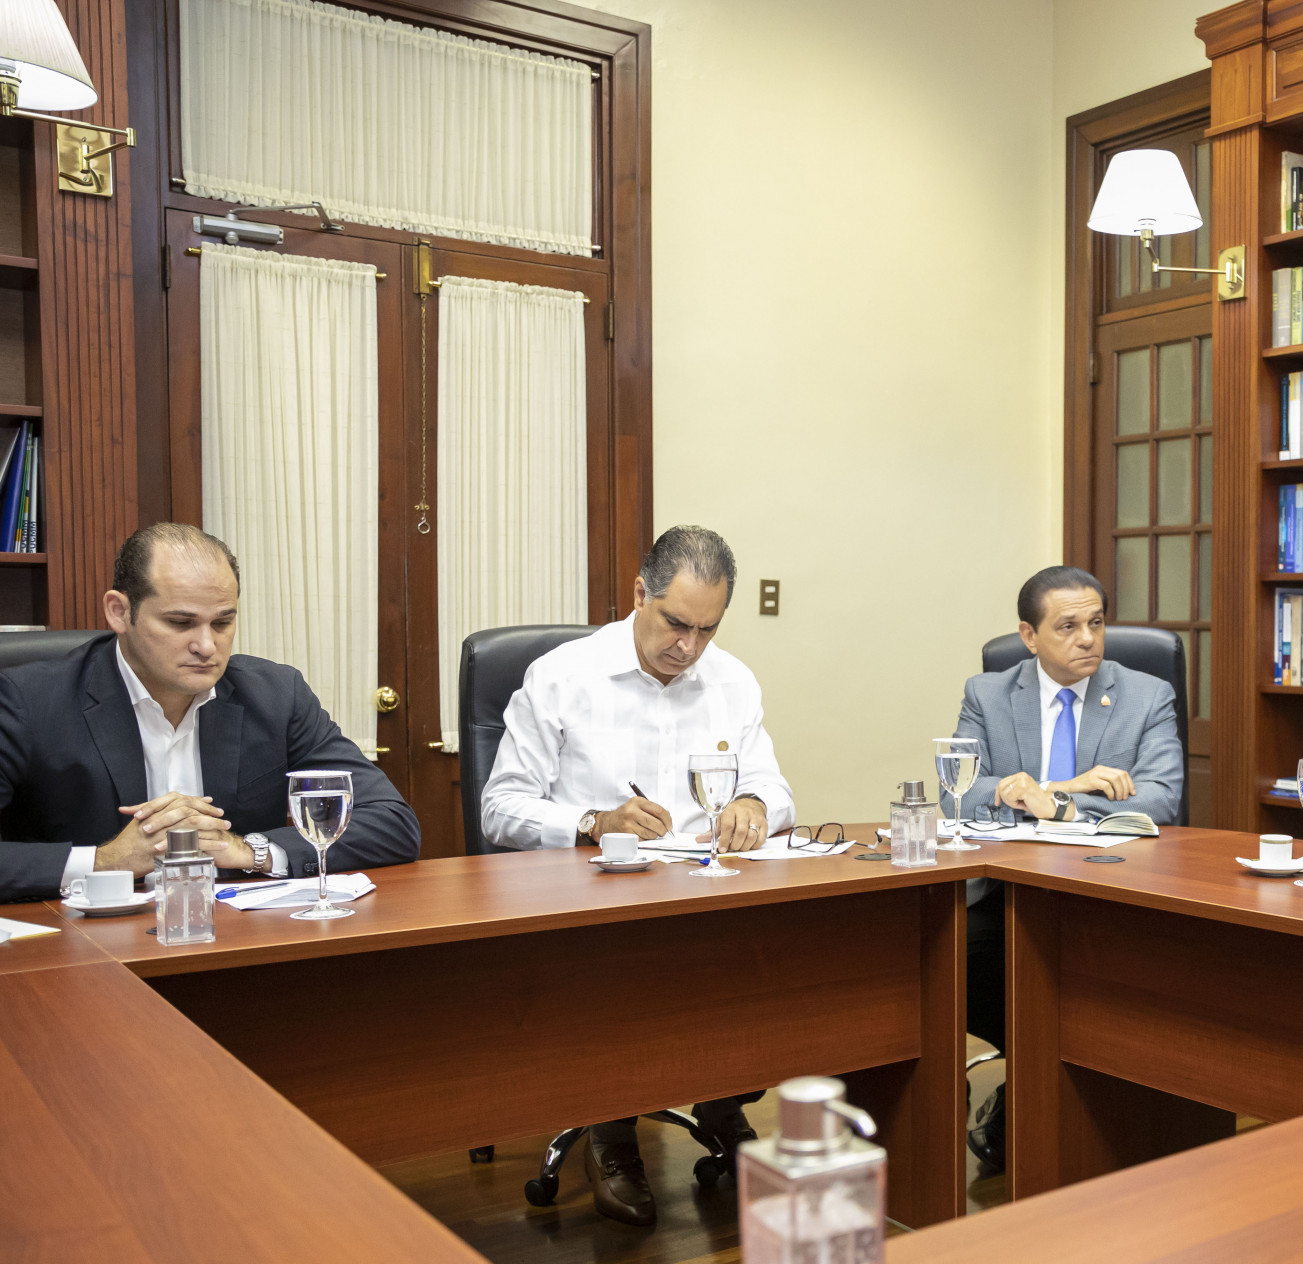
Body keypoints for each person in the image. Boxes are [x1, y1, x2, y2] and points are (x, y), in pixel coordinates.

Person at [480, 524, 794, 1227]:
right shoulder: (562, 676)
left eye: (707, 630)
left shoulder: (733, 682)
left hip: (701, 896)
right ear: (639, 594)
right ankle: (611, 1129)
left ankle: (722, 1099)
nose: (689, 647)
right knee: (622, 967)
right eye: (676, 623)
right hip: (591, 901)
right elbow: (499, 808)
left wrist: (753, 803)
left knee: (780, 956)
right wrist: (593, 821)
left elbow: (777, 789)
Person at [0, 524, 421, 903]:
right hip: (83, 945)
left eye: (222, 623)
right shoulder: (28, 701)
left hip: (237, 937)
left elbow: (392, 823)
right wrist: (106, 861)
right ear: (120, 612)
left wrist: (247, 850)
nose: (206, 646)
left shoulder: (275, 696)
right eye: (180, 622)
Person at [949, 565, 1182, 1175]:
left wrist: (1060, 804)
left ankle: (1039, 1097)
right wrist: (1063, 788)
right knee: (944, 956)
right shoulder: (988, 694)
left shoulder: (1146, 694)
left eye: (1096, 624)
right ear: (1029, 636)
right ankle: (1031, 1080)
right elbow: (957, 795)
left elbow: (1162, 798)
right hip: (1004, 892)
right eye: (1068, 626)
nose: (1087, 639)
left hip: (1108, 891)